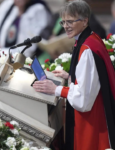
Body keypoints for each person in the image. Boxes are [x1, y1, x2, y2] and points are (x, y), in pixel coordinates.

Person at [33, 0, 115, 150]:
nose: (65, 26)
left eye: (70, 21)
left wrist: (55, 89)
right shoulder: (90, 38)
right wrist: (70, 76)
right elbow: (91, 79)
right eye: (63, 22)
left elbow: (83, 99)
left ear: (85, 21)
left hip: (92, 122)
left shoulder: (87, 49)